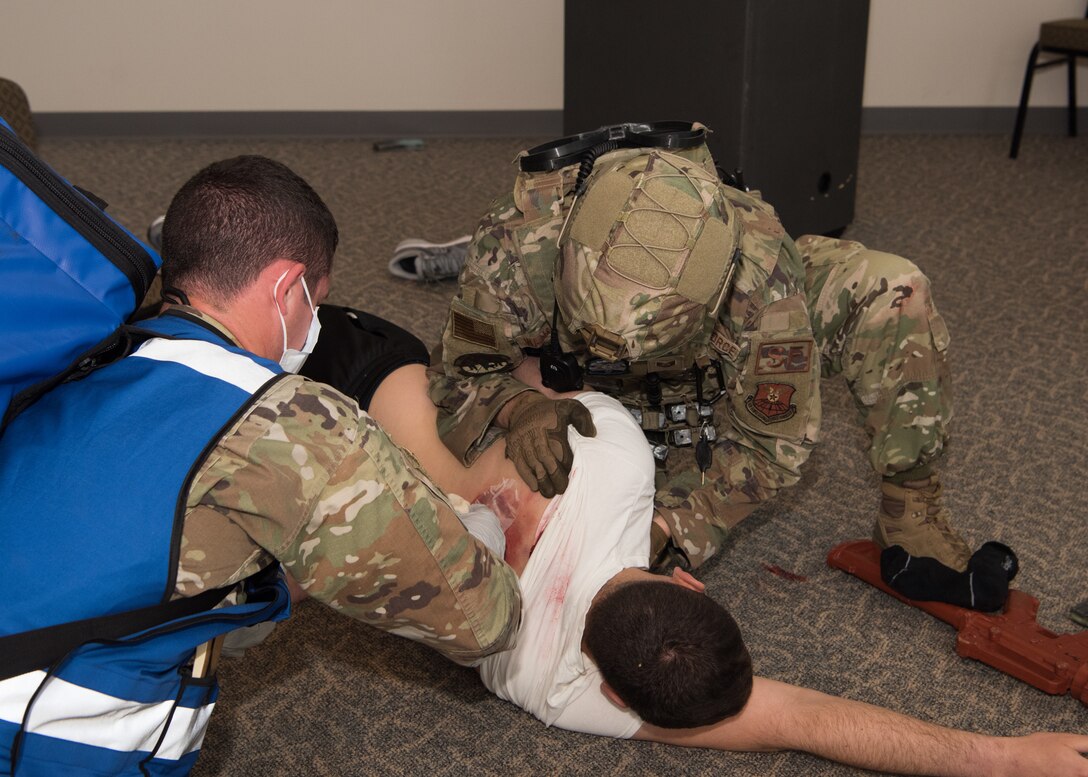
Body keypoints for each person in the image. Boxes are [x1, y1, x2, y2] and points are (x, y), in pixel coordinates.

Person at [0, 155, 520, 776]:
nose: (315, 327)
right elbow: (483, 618)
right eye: (317, 304)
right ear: (285, 287)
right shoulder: (286, 421)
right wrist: (475, 521)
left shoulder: (88, 355)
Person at [361, 355, 1087, 776]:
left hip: (391, 376)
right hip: (355, 441)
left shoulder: (619, 454)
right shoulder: (549, 688)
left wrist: (1010, 759)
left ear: (687, 578)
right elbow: (806, 719)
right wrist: (1004, 757)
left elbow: (526, 381)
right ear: (617, 693)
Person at [425, 122, 1017, 609]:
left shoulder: (760, 274)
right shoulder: (517, 243)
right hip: (571, 384)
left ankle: (911, 511)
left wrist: (665, 531)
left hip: (716, 362)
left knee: (892, 288)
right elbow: (456, 374)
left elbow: (768, 449)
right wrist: (520, 407)